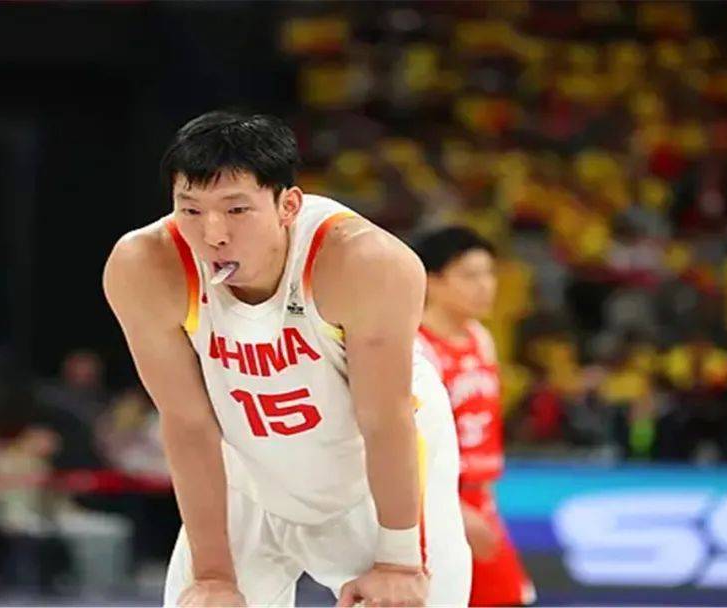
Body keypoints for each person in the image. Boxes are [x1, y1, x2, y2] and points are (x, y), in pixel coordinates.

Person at [104, 111, 470, 607]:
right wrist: (212, 575)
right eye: (190, 210)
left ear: (288, 205)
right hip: (249, 471)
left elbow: (385, 417)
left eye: (237, 210)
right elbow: (187, 421)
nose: (212, 234)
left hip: (371, 478)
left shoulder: (364, 262)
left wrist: (398, 561)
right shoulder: (146, 266)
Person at [412, 226, 535, 606]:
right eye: (469, 275)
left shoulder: (481, 337)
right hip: (431, 502)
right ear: (433, 281)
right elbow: (405, 441)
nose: (485, 286)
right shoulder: (415, 347)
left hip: (479, 497)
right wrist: (451, 508)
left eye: (489, 273)